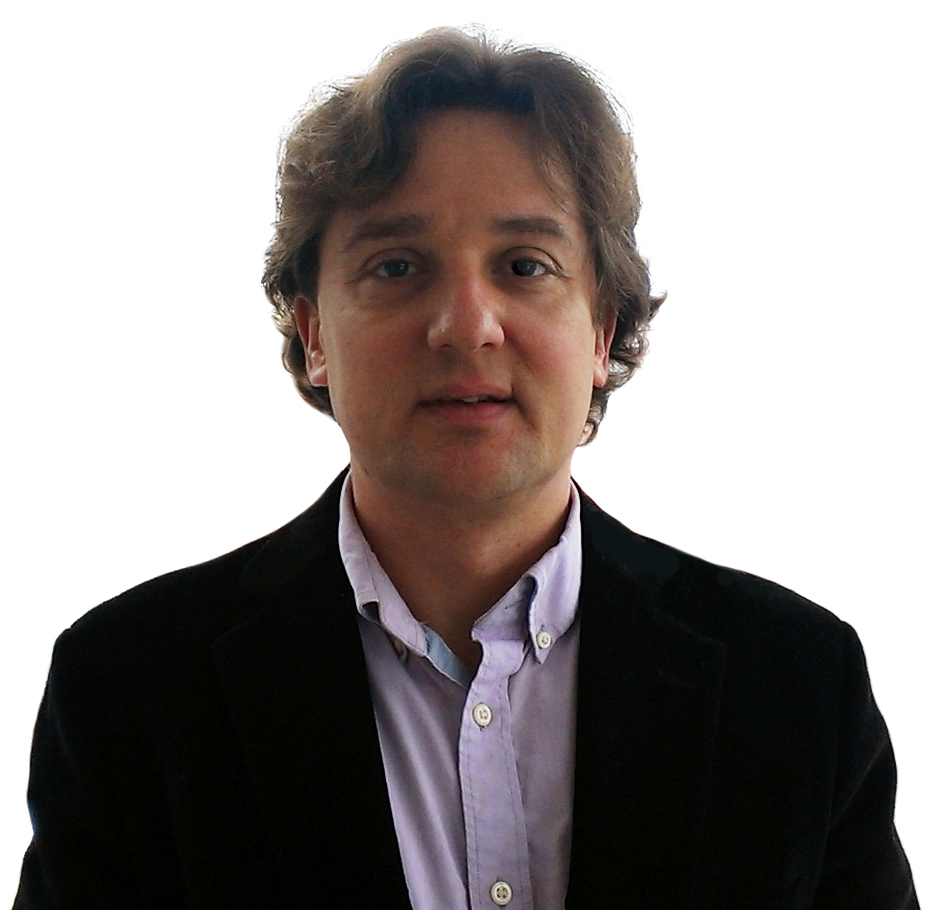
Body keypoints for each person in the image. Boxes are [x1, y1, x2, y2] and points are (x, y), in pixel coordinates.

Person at [13, 27, 919, 910]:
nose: (466, 325)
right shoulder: (130, 690)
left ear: (601, 331)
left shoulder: (796, 684)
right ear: (314, 333)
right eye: (397, 266)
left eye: (525, 264)